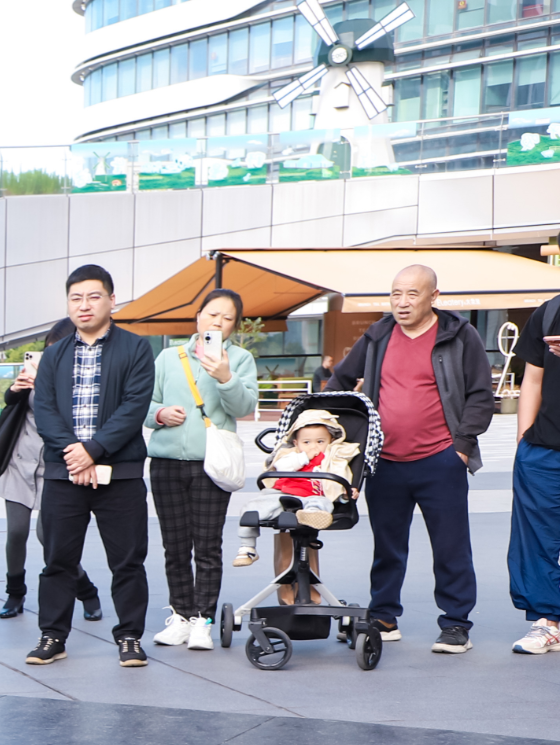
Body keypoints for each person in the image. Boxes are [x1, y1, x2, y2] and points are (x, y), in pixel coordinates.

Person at [333, 263, 494, 653]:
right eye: (395, 294)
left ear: (433, 297)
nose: (402, 303)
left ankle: (455, 623)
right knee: (387, 546)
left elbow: (480, 394)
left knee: (451, 546)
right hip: (385, 461)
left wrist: (461, 446)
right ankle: (384, 617)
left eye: (412, 294)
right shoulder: (377, 335)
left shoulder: (459, 335)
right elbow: (339, 381)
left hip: (441, 459)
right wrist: (342, 434)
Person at [27, 264, 154, 668]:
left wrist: (94, 450)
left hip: (121, 475)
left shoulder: (136, 349)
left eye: (93, 296)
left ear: (112, 300)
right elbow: (44, 409)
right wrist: (74, 452)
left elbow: (134, 407)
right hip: (65, 473)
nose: (84, 305)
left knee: (127, 561)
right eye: (76, 298)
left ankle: (130, 636)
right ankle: (53, 635)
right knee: (58, 560)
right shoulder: (53, 355)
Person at [145, 288, 257, 650]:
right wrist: (160, 414)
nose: (217, 322)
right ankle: (181, 616)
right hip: (165, 463)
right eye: (212, 314)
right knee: (174, 546)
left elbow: (243, 407)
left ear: (235, 325)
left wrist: (225, 376)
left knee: (207, 546)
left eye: (227, 318)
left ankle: (203, 621)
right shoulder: (168, 357)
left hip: (212, 465)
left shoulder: (239, 359)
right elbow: (144, 404)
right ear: (198, 317)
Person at [505, 219, 560, 656]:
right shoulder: (551, 310)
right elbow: (533, 379)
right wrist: (524, 439)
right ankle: (546, 622)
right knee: (539, 539)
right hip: (544, 450)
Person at [0, 321, 99, 622]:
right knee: (16, 532)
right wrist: (15, 389)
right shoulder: (35, 374)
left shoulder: (82, 380)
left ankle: (86, 590)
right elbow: (13, 405)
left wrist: (49, 385)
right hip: (20, 462)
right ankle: (15, 593)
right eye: (48, 351)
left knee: (49, 538)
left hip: (55, 466)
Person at [234, 411, 359, 556]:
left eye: (320, 442)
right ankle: (247, 547)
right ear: (296, 443)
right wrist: (304, 457)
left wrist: (344, 495)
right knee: (253, 507)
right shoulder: (292, 455)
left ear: (330, 441)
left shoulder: (332, 460)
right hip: (282, 493)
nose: (313, 447)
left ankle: (311, 516)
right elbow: (281, 467)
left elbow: (335, 485)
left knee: (323, 503)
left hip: (312, 496)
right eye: (306, 442)